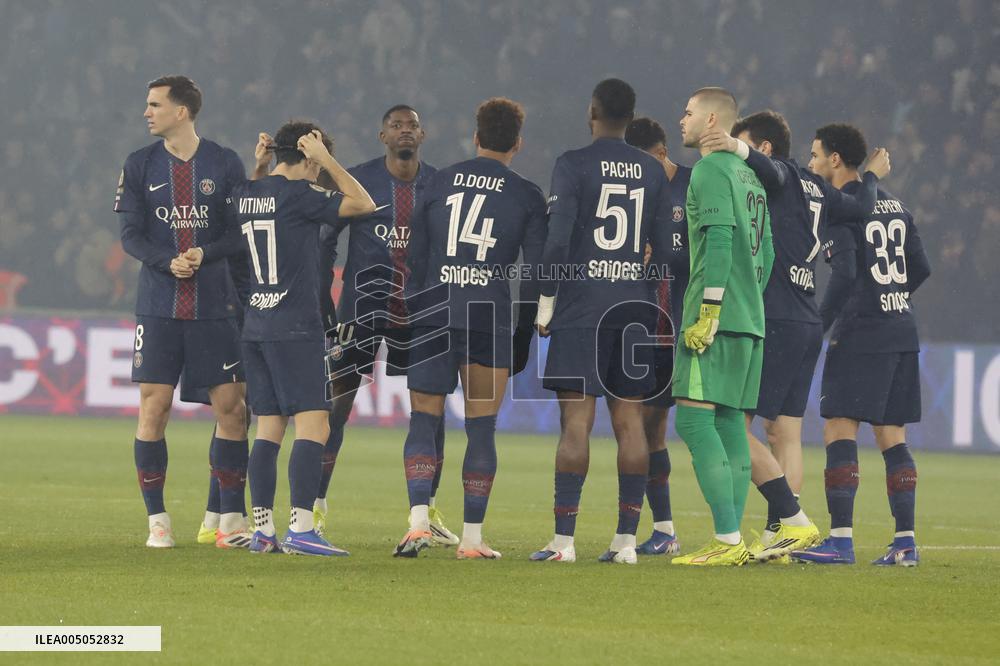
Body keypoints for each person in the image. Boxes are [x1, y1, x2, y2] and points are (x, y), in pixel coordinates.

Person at [700, 110, 890, 560]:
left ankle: (785, 522)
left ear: (765, 148)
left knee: (730, 424)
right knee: (785, 432)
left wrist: (730, 143)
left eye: (748, 147)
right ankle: (779, 536)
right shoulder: (819, 186)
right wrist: (872, 178)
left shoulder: (781, 173)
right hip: (806, 320)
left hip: (776, 318)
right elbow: (863, 209)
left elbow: (762, 164)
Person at [394, 97, 547, 559]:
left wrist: (414, 312)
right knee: (482, 429)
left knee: (424, 419)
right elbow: (537, 272)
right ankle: (473, 540)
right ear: (517, 144)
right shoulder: (526, 195)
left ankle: (419, 522)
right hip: (488, 317)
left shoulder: (438, 182)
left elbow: (414, 259)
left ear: (476, 137)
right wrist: (525, 328)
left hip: (433, 312)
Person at [530, 79, 674, 565]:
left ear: (592, 111)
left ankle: (564, 543)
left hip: (581, 307)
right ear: (631, 118)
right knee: (630, 422)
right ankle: (627, 542)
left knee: (576, 422)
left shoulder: (572, 164)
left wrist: (545, 303)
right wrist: (641, 288)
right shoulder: (654, 172)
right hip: (633, 310)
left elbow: (556, 242)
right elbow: (668, 251)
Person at [114, 75, 249, 549]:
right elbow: (130, 235)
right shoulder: (139, 164)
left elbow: (238, 233)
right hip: (158, 307)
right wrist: (165, 259)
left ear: (182, 111)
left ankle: (230, 521)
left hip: (216, 305)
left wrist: (203, 254)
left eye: (155, 105)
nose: (147, 113)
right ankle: (158, 522)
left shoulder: (225, 163)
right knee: (155, 407)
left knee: (232, 410)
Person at [316, 106, 459, 546]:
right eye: (396, 125)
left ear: (423, 134)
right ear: (382, 136)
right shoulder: (360, 181)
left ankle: (427, 511)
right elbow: (325, 238)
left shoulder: (438, 185)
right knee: (335, 410)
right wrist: (324, 298)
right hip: (362, 310)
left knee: (431, 415)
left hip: (420, 313)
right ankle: (313, 509)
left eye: (411, 125)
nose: (404, 131)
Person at [792, 124, 930, 566]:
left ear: (835, 160)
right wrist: (891, 299)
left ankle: (841, 540)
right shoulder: (897, 204)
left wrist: (821, 323)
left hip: (860, 332)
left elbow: (847, 274)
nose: (810, 164)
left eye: (815, 156)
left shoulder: (842, 210)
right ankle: (905, 542)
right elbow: (921, 268)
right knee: (891, 434)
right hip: (901, 329)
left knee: (838, 427)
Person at [237, 122, 375, 556]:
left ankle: (263, 530)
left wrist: (258, 168)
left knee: (269, 428)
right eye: (315, 163)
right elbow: (363, 203)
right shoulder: (301, 195)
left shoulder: (249, 193)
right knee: (315, 423)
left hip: (255, 325)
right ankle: (301, 528)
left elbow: (259, 198)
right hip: (295, 326)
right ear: (308, 157)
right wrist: (328, 159)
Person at [668, 87, 773, 567]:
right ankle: (735, 543)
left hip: (715, 316)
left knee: (693, 419)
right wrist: (745, 298)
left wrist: (710, 310)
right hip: (750, 318)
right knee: (731, 421)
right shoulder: (749, 176)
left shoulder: (710, 170)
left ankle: (727, 540)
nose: (681, 120)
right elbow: (766, 253)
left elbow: (721, 238)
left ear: (712, 120)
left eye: (688, 113)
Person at [623, 116, 690, 556]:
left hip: (690, 327)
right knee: (651, 430)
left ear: (662, 154)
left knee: (722, 425)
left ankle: (772, 523)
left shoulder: (695, 185)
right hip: (649, 330)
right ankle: (664, 529)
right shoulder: (637, 197)